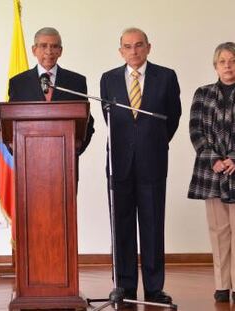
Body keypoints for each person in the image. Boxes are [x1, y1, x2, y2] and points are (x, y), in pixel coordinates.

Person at [99, 27, 181, 304]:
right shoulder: (108, 79)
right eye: (127, 46)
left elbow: (172, 117)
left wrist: (152, 142)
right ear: (120, 50)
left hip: (153, 162)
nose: (133, 51)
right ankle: (124, 286)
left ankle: (155, 288)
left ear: (148, 47)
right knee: (120, 226)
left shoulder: (166, 77)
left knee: (152, 224)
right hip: (119, 163)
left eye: (138, 45)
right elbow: (110, 120)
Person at [188, 42, 235, 303]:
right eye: (223, 61)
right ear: (215, 66)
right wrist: (213, 158)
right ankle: (221, 285)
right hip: (213, 171)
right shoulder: (203, 93)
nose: (228, 65)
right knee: (218, 231)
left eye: (232, 60)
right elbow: (195, 130)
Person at [9, 26, 94, 160]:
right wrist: (16, 149)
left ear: (60, 51)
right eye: (43, 46)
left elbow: (87, 121)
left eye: (54, 46)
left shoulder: (76, 81)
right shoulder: (19, 83)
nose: (49, 51)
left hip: (65, 159)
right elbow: (10, 121)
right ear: (34, 50)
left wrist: (76, 148)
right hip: (28, 159)